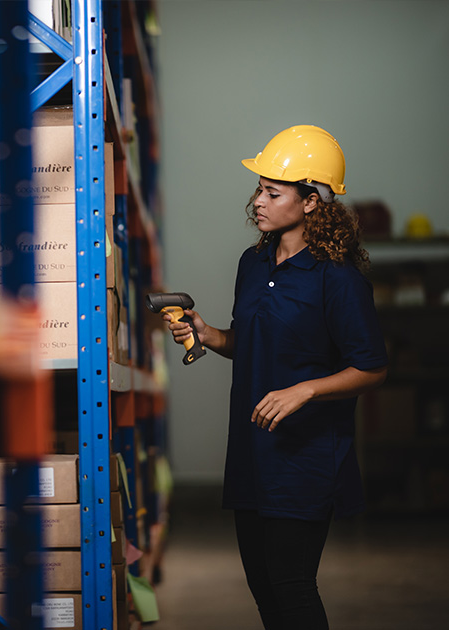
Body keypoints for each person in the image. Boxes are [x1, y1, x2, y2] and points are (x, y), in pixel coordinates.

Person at [164, 125, 388, 630]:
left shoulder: (338, 277)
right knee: (264, 587)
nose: (258, 201)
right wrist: (207, 333)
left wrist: (306, 389)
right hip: (251, 448)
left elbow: (372, 366)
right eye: (259, 190)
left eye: (273, 192)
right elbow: (251, 342)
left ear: (311, 202)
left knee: (291, 587)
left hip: (305, 457)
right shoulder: (254, 261)